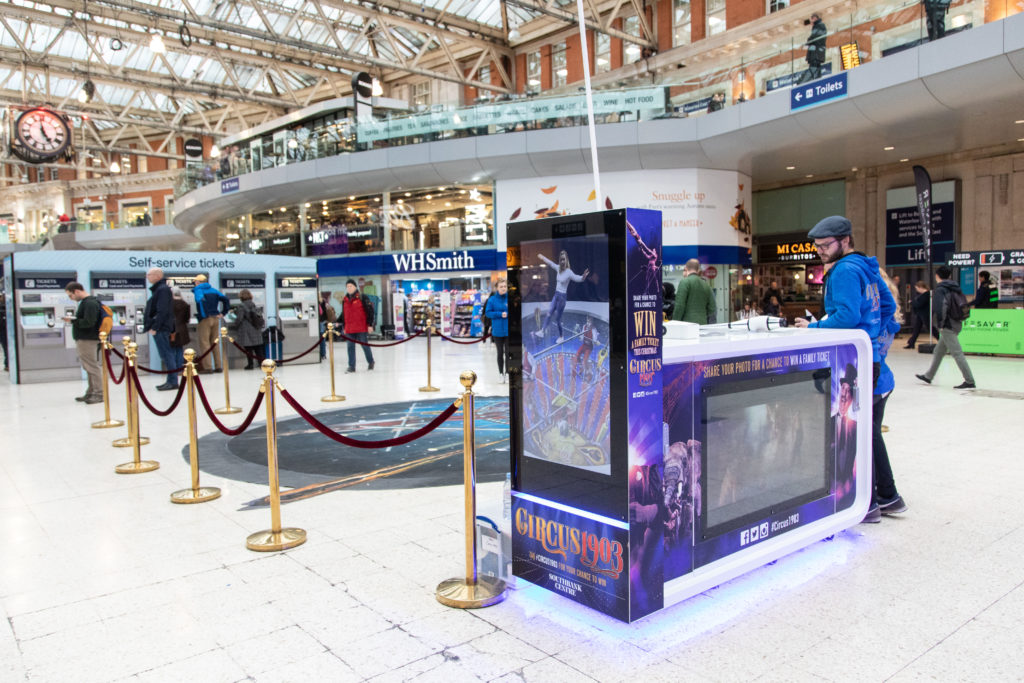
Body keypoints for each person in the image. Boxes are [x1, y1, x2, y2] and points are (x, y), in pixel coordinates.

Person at [793, 216, 906, 522]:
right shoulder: (866, 266)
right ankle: (885, 497)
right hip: (868, 360)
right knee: (866, 430)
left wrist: (815, 327)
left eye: (825, 245)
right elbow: (886, 307)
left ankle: (866, 504)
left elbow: (845, 315)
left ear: (844, 240)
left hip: (852, 364)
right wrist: (871, 337)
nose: (820, 251)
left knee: (854, 432)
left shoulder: (843, 270)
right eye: (816, 246)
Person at [915, 265, 976, 390]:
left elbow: (940, 308)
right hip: (957, 322)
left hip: (948, 325)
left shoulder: (941, 289)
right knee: (939, 350)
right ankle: (929, 375)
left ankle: (969, 380)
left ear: (937, 276)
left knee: (957, 353)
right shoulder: (955, 287)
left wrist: (941, 325)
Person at [533, 250, 589, 344]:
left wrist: (583, 276)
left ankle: (561, 336)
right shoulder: (558, 268)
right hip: (556, 295)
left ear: (566, 260)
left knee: (557, 319)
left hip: (562, 297)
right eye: (561, 259)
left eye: (564, 259)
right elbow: (550, 263)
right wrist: (542, 257)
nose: (562, 261)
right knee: (549, 313)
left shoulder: (569, 272)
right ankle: (542, 331)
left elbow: (577, 278)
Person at [62, 282, 104, 404]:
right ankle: (91, 392)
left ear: (77, 291)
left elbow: (89, 322)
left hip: (88, 339)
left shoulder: (90, 303)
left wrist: (73, 321)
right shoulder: (87, 302)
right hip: (86, 338)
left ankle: (98, 393)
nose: (71, 298)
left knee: (92, 366)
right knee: (88, 366)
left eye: (71, 295)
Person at [142, 268, 179, 391]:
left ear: (157, 276)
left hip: (161, 328)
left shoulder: (162, 290)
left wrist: (155, 327)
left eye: (149, 275)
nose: (147, 277)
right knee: (165, 354)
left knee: (167, 354)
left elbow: (162, 310)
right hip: (161, 327)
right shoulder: (160, 289)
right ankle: (170, 380)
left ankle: (173, 381)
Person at [192, 274, 230, 374]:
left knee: (204, 343)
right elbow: (226, 299)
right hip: (216, 318)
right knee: (215, 342)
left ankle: (208, 367)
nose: (195, 283)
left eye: (195, 281)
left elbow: (200, 302)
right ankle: (218, 366)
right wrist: (223, 312)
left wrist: (203, 315)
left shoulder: (198, 290)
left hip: (205, 319)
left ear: (198, 282)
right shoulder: (214, 290)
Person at [340, 279, 374, 373]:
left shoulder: (363, 297)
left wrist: (370, 324)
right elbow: (344, 314)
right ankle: (351, 366)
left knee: (364, 345)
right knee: (350, 347)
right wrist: (343, 326)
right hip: (350, 328)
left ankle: (371, 362)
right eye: (347, 287)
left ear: (355, 287)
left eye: (350, 286)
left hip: (361, 327)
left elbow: (370, 311)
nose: (349, 288)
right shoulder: (345, 300)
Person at [671, 259, 715, 325]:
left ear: (686, 268)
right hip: (703, 323)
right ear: (698, 269)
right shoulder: (706, 285)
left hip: (687, 325)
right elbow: (712, 308)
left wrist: (675, 322)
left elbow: (679, 306)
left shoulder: (685, 282)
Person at [484, 278, 509, 382]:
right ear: (497, 288)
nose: (503, 288)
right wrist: (500, 314)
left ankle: (507, 373)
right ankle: (500, 374)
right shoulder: (492, 300)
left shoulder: (510, 298)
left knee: (508, 353)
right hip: (497, 331)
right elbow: (488, 313)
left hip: (509, 331)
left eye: (505, 286)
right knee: (500, 353)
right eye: (501, 287)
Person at [234, 289, 265, 369]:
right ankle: (261, 363)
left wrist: (235, 325)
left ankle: (250, 364)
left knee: (248, 348)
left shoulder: (241, 305)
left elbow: (239, 318)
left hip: (247, 329)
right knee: (258, 348)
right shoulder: (252, 304)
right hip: (256, 328)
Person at [904, 281, 934, 349]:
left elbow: (919, 304)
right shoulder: (923, 295)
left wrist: (912, 302)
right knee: (916, 329)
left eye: (917, 288)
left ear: (921, 287)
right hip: (920, 314)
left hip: (924, 314)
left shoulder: (926, 294)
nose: (916, 290)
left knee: (930, 327)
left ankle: (940, 339)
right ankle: (911, 343)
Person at [169, 287, 191, 374]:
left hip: (171, 328)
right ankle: (180, 369)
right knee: (179, 349)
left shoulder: (169, 304)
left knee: (171, 350)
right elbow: (187, 319)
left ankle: (173, 369)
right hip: (182, 329)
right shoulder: (185, 304)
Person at [801, 14, 828, 83]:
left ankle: (804, 82)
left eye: (812, 20)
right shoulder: (818, 26)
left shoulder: (818, 26)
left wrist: (808, 45)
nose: (811, 23)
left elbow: (814, 39)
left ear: (815, 18)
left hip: (816, 53)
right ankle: (817, 81)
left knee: (814, 67)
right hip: (817, 52)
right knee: (816, 68)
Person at [318, 291, 337, 360]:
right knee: (322, 338)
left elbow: (320, 312)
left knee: (320, 338)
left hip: (319, 321)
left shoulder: (318, 301)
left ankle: (321, 353)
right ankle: (323, 354)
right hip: (323, 321)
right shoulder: (323, 301)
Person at [0, 291, 8, 371]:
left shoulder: (7, 307)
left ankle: (8, 364)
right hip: (3, 331)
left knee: (7, 348)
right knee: (6, 348)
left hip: (5, 331)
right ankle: (7, 365)